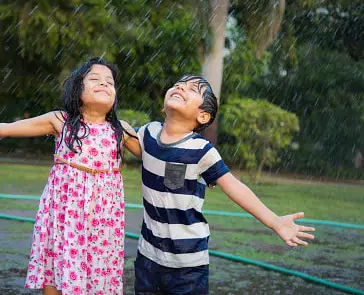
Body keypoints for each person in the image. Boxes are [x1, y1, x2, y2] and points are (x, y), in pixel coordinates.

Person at [0, 57, 138, 295]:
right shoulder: (61, 121)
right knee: (56, 267)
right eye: (95, 79)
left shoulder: (121, 129)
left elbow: (159, 153)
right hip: (63, 216)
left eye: (109, 82)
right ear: (77, 88)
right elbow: (4, 129)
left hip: (103, 220)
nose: (104, 84)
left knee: (99, 274)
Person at [133, 74, 316, 295]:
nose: (180, 87)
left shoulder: (201, 150)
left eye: (192, 89)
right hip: (148, 257)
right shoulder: (148, 133)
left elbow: (235, 187)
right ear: (164, 107)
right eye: (178, 84)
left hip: (187, 264)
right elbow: (120, 133)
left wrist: (275, 222)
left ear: (203, 115)